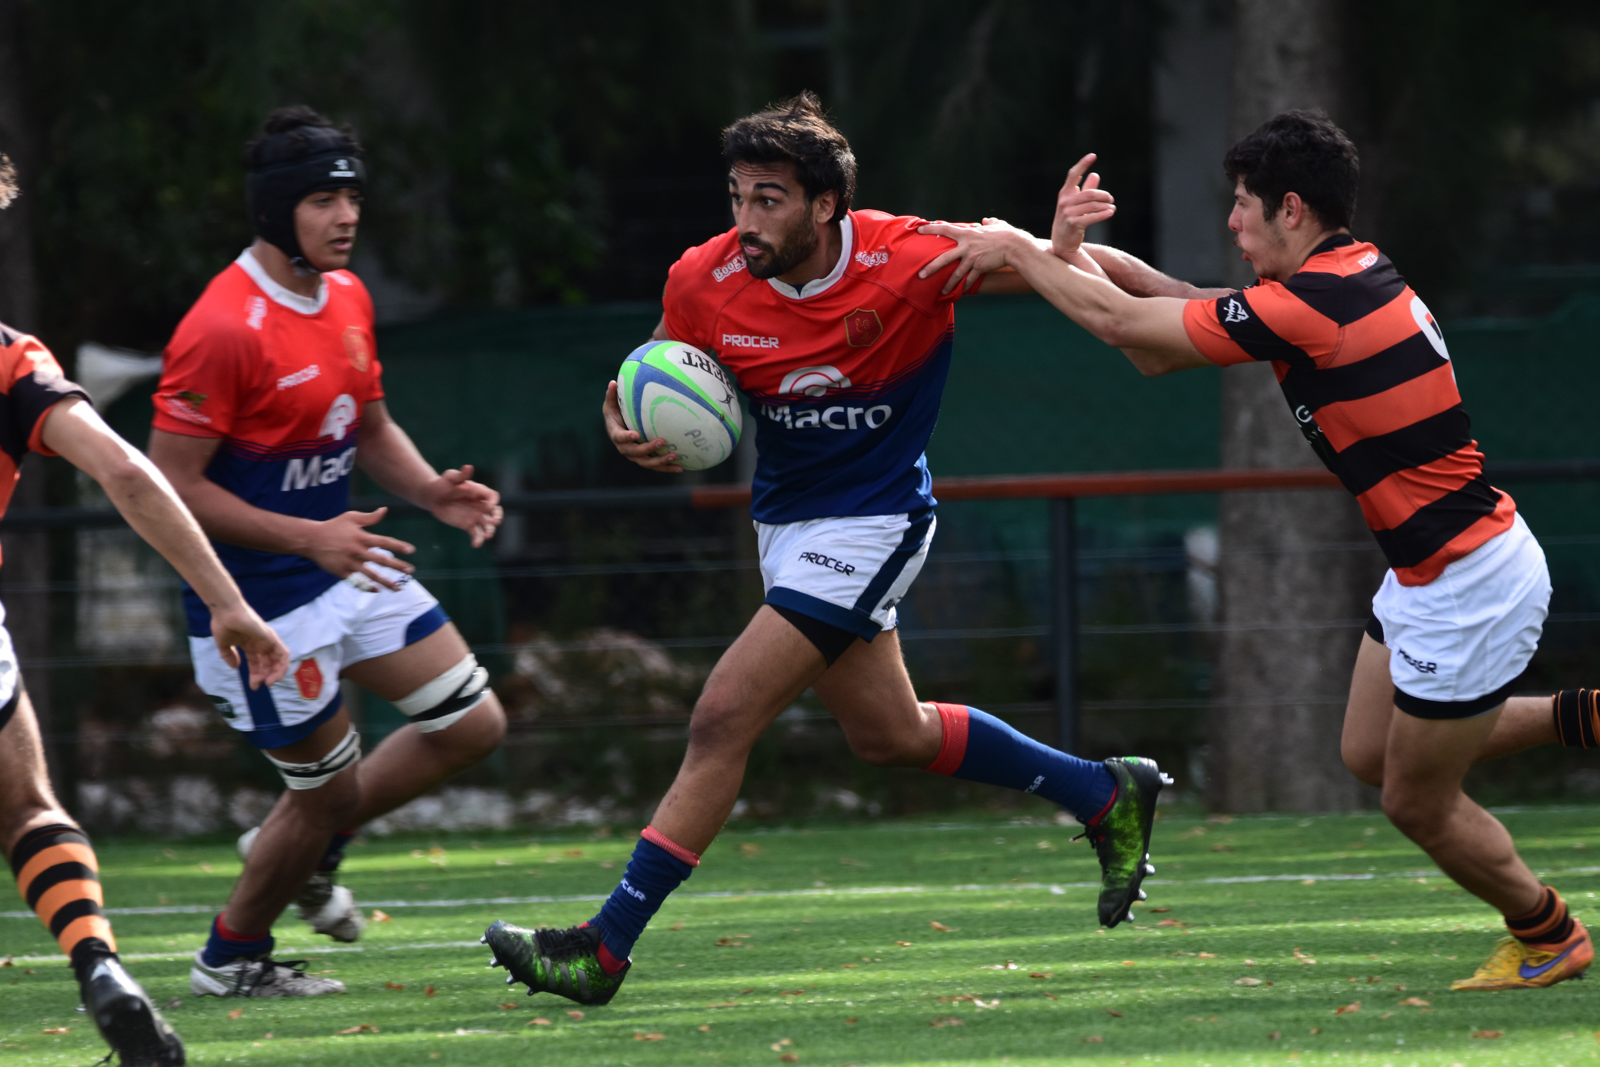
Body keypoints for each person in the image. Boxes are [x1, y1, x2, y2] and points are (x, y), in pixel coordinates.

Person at [479, 92, 1170, 1007]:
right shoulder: (704, 277)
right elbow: (654, 367)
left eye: (769, 199)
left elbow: (1075, 263)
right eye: (737, 196)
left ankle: (602, 948)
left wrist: (1207, 308)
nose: (746, 220)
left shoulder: (915, 258)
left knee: (722, 715)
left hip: (876, 520)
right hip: (787, 527)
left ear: (827, 204)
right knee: (892, 734)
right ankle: (1102, 791)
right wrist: (625, 420)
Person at [918, 109, 1592, 991]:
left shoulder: (1317, 302)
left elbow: (1135, 336)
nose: (1232, 223)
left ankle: (1550, 932)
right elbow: (1167, 298)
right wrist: (1058, 247)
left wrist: (1014, 249)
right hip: (1439, 571)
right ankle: (1587, 715)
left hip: (1470, 579)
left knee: (1414, 798)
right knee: (1367, 750)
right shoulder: (1343, 274)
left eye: (1242, 205)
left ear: (1293, 209)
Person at [146, 106, 507, 999]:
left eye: (351, 195)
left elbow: (369, 420)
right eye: (321, 198)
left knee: (471, 723)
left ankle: (307, 843)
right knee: (324, 793)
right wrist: (312, 535)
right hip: (258, 608)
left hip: (344, 567)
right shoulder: (222, 326)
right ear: (275, 211)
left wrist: (430, 491)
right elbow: (171, 486)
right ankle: (230, 958)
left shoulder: (347, 295)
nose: (346, 215)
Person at [0, 155, 290, 1064]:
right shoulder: (9, 357)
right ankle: (98, 963)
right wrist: (228, 602)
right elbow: (128, 469)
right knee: (30, 811)